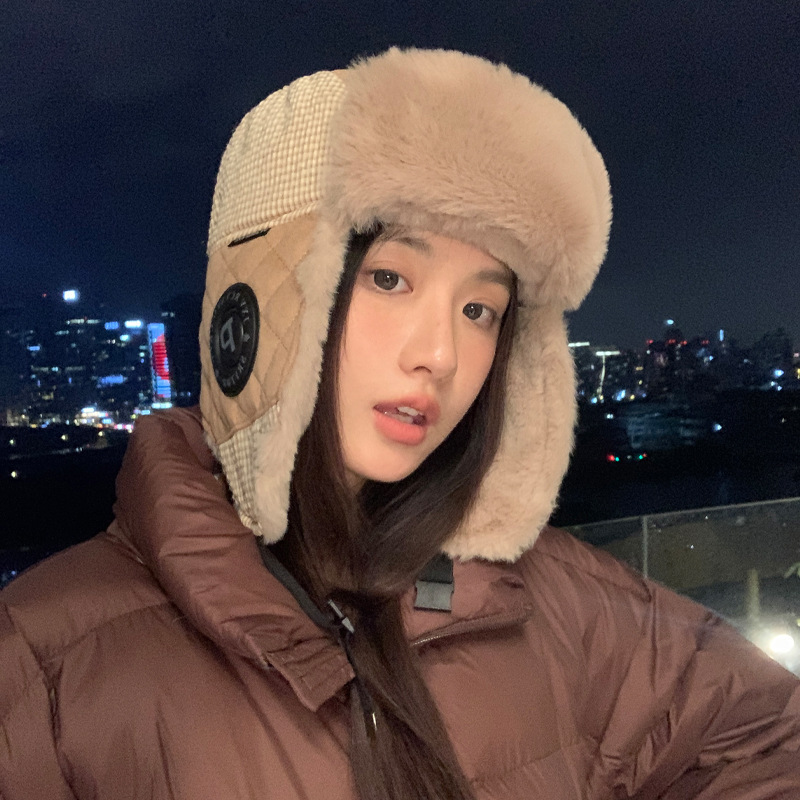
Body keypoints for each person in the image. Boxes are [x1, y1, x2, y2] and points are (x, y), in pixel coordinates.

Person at [1, 47, 798, 800]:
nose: (441, 354)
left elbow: (766, 740)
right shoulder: (46, 663)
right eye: (389, 278)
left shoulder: (557, 600)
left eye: (480, 309)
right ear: (265, 302)